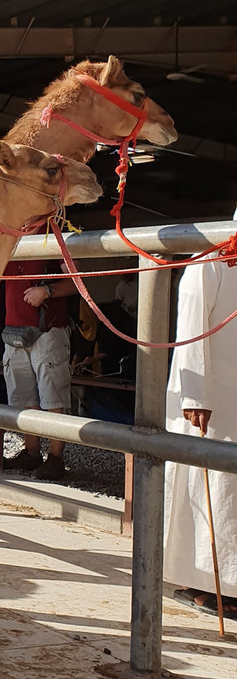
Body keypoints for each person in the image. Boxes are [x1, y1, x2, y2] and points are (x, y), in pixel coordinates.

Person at [163, 213, 237, 620]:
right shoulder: (213, 254)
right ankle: (209, 584)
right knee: (212, 485)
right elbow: (191, 321)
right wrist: (195, 393)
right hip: (213, 398)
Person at [0, 256, 77, 481]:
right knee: (24, 395)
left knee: (52, 394)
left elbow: (76, 281)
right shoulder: (12, 241)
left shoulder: (52, 237)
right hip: (15, 328)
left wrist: (47, 291)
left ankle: (55, 457)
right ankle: (31, 451)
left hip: (47, 328)